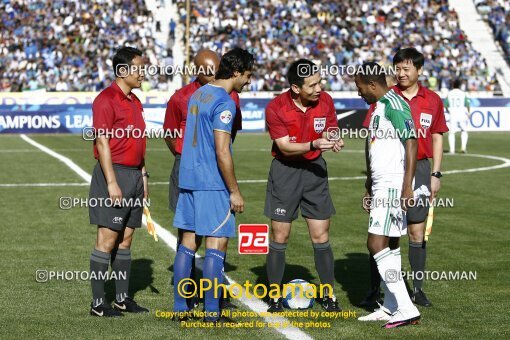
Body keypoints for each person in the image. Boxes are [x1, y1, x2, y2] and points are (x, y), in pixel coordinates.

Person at [359, 48, 449, 308]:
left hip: (419, 168)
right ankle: (377, 289)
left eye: (406, 68)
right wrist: (369, 183)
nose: (401, 73)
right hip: (389, 172)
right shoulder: (386, 97)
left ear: (419, 71)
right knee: (385, 232)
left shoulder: (432, 100)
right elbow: (371, 138)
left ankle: (417, 290)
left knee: (417, 231)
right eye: (397, 68)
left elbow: (436, 136)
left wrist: (435, 173)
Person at [171, 48, 253, 323]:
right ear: (238, 71)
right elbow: (222, 150)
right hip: (212, 182)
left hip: (189, 177)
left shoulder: (198, 93)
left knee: (188, 243)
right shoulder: (225, 101)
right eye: (248, 75)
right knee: (216, 245)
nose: (249, 82)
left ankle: (181, 309)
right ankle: (211, 312)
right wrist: (234, 190)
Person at [264, 59, 344, 312]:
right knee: (280, 235)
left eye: (320, 81)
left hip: (315, 172)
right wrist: (313, 145)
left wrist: (334, 138)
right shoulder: (276, 107)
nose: (319, 88)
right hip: (285, 171)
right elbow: (284, 146)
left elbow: (331, 127)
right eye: (313, 85)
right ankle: (275, 296)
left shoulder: (326, 100)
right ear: (296, 88)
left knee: (321, 236)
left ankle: (329, 295)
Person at [355, 62, 420, 327]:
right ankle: (392, 305)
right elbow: (375, 148)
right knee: (391, 244)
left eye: (360, 88)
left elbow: (412, 140)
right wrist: (370, 183)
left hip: (393, 184)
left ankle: (406, 308)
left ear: (372, 85)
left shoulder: (395, 103)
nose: (359, 94)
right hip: (382, 183)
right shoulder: (379, 107)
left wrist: (407, 186)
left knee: (375, 244)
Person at [88, 47, 149, 317]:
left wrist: (144, 177)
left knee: (126, 240)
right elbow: (102, 141)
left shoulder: (135, 101)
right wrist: (112, 183)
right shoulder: (105, 100)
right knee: (107, 239)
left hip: (135, 176)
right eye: (139, 68)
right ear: (122, 71)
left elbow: (139, 142)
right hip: (114, 175)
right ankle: (98, 304)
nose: (143, 73)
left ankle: (123, 299)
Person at [445, 79, 471, 154]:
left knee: (452, 133)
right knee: (464, 131)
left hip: (453, 115)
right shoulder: (462, 93)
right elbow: (467, 104)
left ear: (453, 85)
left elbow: (446, 104)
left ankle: (452, 150)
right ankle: (463, 148)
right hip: (462, 114)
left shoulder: (450, 93)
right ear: (460, 86)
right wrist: (468, 113)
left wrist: (448, 110)